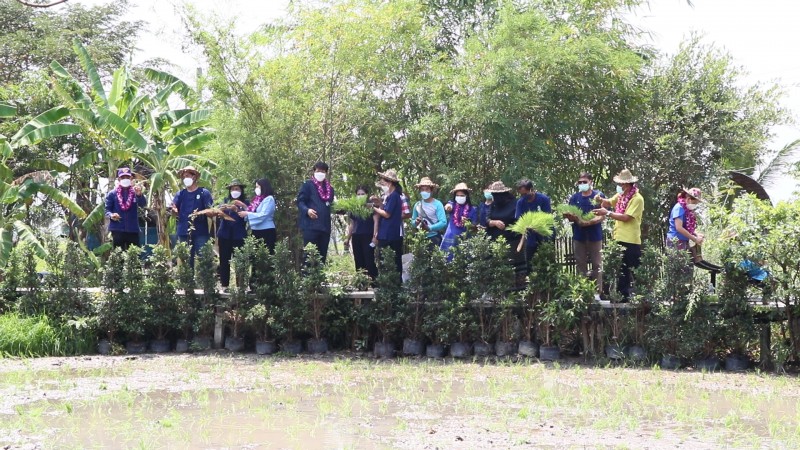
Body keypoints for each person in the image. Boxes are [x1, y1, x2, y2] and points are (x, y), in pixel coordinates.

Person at [593, 169, 645, 301]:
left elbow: (626, 217)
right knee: (621, 270)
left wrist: (607, 213)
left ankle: (642, 296)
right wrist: (600, 199)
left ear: (628, 185)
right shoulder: (621, 196)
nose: (620, 187)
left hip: (631, 240)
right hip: (618, 237)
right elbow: (608, 202)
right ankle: (622, 297)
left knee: (634, 270)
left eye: (621, 184)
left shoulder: (637, 199)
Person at [563, 172, 605, 297]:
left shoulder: (598, 196)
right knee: (580, 263)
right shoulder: (574, 198)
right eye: (580, 182)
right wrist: (570, 216)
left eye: (584, 182)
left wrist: (589, 222)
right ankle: (582, 291)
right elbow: (569, 216)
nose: (582, 184)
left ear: (591, 182)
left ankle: (597, 292)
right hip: (579, 235)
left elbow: (603, 215)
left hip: (595, 235)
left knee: (597, 264)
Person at [171, 165, 214, 267]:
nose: (185, 178)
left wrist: (206, 212)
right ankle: (187, 282)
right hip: (183, 231)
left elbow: (211, 210)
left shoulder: (204, 193)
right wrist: (174, 210)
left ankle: (206, 281)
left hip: (200, 231)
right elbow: (174, 208)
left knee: (204, 258)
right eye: (184, 176)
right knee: (185, 260)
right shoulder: (180, 194)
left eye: (187, 176)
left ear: (194, 177)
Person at [482, 181, 525, 281]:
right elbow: (486, 219)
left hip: (513, 241)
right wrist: (494, 222)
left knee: (516, 269)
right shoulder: (494, 205)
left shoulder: (515, 204)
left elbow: (520, 220)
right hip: (496, 242)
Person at [297, 162, 334, 263]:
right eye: (318, 171)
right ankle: (307, 278)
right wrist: (307, 210)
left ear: (326, 173)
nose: (320, 173)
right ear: (314, 172)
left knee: (322, 258)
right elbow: (300, 201)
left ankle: (320, 278)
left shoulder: (330, 189)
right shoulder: (307, 185)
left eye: (322, 171)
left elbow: (331, 205)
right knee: (309, 256)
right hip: (310, 226)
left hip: (325, 227)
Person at [217, 180, 248, 289]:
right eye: (232, 189)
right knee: (224, 260)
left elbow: (247, 215)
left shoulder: (245, 202)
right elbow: (217, 214)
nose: (234, 191)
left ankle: (241, 287)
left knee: (240, 260)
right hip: (224, 235)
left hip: (239, 236)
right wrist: (221, 210)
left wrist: (237, 209)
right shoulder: (225, 201)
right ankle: (224, 285)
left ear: (241, 190)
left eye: (237, 189)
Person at [105, 167, 146, 250]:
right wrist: (111, 215)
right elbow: (107, 210)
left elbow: (143, 205)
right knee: (118, 256)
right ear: (119, 179)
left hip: (133, 229)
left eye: (127, 177)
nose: (125, 179)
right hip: (117, 229)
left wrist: (139, 195)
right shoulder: (112, 194)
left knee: (134, 255)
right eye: (123, 177)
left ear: (131, 178)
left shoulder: (135, 192)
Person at [515, 179, 552, 271]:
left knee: (547, 262)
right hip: (530, 236)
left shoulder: (544, 199)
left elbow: (547, 217)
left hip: (544, 234)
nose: (523, 196)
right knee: (530, 263)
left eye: (525, 194)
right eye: (521, 194)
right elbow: (519, 219)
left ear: (531, 190)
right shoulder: (520, 202)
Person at [372, 169, 404, 277]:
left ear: (390, 183)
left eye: (383, 183)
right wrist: (380, 204)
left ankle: (395, 286)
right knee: (384, 260)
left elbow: (387, 214)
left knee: (393, 261)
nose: (382, 185)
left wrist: (373, 208)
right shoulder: (389, 196)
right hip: (385, 233)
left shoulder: (394, 196)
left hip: (391, 234)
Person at [343, 185, 379, 280]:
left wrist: (375, 237)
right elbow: (352, 224)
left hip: (368, 236)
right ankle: (361, 281)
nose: (360, 196)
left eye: (362, 194)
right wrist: (348, 238)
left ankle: (374, 281)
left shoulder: (371, 207)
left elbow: (376, 222)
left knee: (369, 259)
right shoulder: (354, 208)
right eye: (358, 194)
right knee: (358, 260)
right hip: (356, 236)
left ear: (366, 195)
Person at [239, 178, 277, 253]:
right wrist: (243, 210)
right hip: (255, 231)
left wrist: (247, 213)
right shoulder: (257, 199)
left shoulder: (269, 199)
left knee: (266, 255)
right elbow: (252, 211)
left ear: (264, 187)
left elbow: (263, 215)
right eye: (255, 187)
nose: (256, 189)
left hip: (266, 231)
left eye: (257, 187)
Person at [440, 182, 477, 257]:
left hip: (464, 239)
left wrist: (468, 223)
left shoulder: (473, 209)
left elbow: (474, 227)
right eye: (457, 195)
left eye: (462, 195)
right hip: (450, 237)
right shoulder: (453, 205)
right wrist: (448, 207)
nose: (459, 197)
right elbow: (448, 206)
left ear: (466, 196)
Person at [410, 177, 446, 247]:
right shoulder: (417, 205)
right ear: (420, 191)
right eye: (422, 190)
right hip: (420, 238)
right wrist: (416, 222)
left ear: (431, 190)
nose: (424, 192)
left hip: (434, 237)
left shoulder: (438, 204)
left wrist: (430, 228)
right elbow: (413, 221)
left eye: (427, 189)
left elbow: (443, 222)